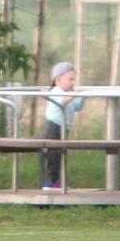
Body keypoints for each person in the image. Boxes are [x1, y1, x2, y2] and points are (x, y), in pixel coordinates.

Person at [41, 62, 84, 190]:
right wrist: (74, 94)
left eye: (74, 79)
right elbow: (62, 101)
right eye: (70, 79)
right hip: (53, 128)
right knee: (54, 155)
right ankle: (51, 182)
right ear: (58, 79)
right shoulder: (56, 91)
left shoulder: (68, 93)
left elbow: (77, 107)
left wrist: (82, 97)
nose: (73, 83)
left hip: (63, 128)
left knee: (59, 155)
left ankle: (57, 181)